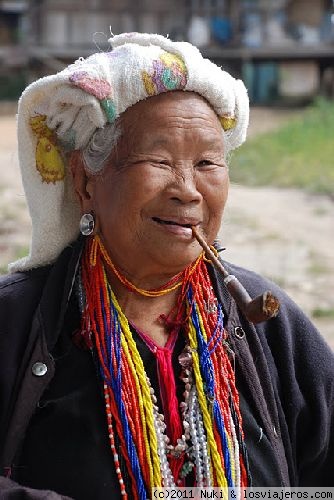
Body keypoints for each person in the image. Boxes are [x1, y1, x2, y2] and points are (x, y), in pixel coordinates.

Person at [0, 32, 333, 499]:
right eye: (159, 159)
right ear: (84, 180)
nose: (188, 190)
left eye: (206, 162)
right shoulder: (18, 323)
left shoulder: (272, 330)